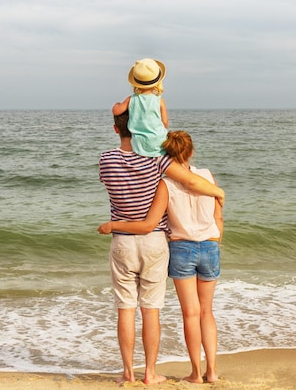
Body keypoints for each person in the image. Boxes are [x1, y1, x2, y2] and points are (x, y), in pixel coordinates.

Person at [99, 111, 224, 385]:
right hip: (178, 244)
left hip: (130, 242)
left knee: (127, 308)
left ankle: (130, 373)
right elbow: (200, 195)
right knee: (160, 309)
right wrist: (218, 193)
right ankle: (161, 372)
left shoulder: (108, 160)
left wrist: (114, 223)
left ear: (115, 129)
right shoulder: (169, 167)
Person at [112, 58, 168, 157]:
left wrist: (117, 104)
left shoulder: (131, 99)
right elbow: (165, 123)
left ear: (135, 82)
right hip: (159, 141)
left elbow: (116, 111)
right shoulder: (159, 100)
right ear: (157, 81)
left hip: (139, 144)